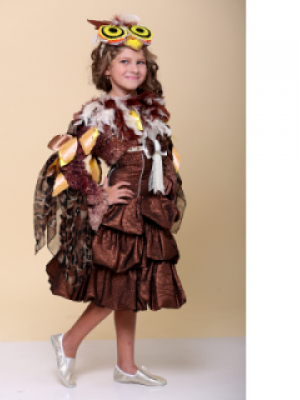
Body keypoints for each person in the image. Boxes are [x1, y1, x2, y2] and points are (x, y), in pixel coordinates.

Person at [33, 14, 187, 388]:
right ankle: (68, 342)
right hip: (121, 215)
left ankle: (126, 366)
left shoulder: (151, 112)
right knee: (115, 287)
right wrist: (99, 194)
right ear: (106, 69)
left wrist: (166, 185)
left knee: (130, 289)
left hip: (147, 210)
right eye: (124, 61)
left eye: (140, 62)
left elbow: (163, 156)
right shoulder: (97, 115)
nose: (134, 68)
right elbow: (69, 160)